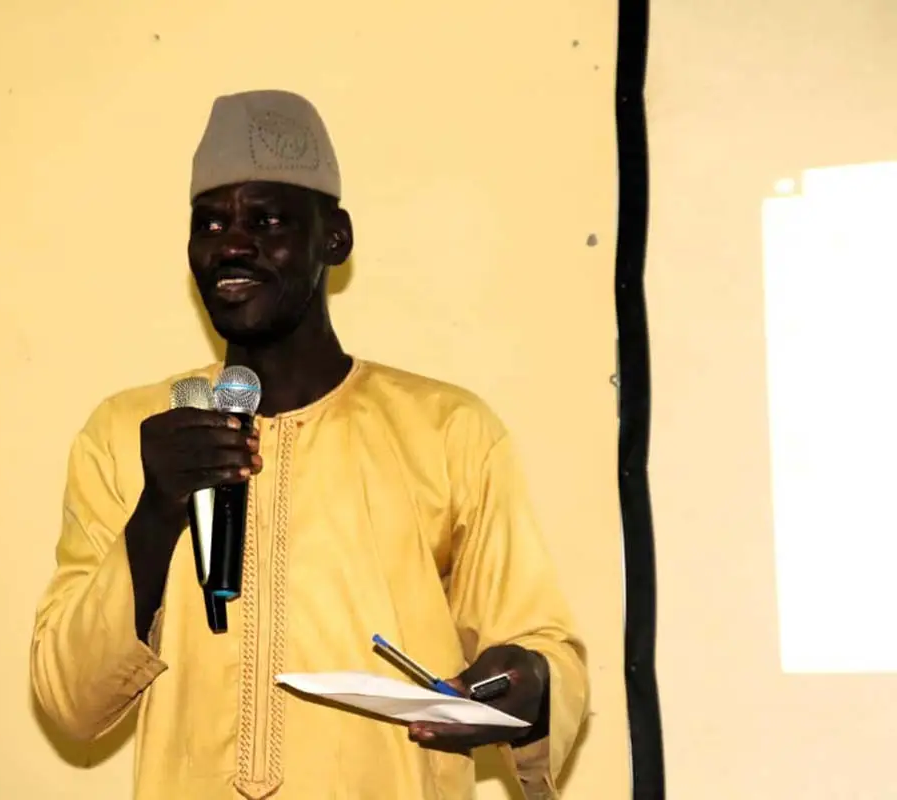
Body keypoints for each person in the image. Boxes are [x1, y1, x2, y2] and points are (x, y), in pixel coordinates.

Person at [29, 89, 589, 800]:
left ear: (335, 239)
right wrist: (155, 515)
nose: (232, 244)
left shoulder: (448, 429)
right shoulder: (126, 433)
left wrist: (529, 683)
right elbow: (68, 699)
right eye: (211, 224)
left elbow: (542, 649)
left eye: (265, 221)